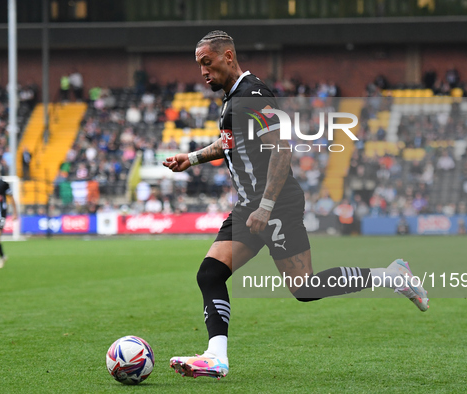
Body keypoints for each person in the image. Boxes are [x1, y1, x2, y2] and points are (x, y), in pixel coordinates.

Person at [163, 31, 429, 380]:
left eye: (207, 63)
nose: (203, 72)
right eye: (199, 66)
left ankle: (391, 276)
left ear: (228, 56)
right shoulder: (232, 99)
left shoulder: (253, 94)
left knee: (304, 288)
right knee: (211, 274)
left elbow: (281, 148)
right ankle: (216, 357)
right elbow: (229, 142)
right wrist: (193, 158)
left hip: (273, 205)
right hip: (249, 205)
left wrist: (267, 206)